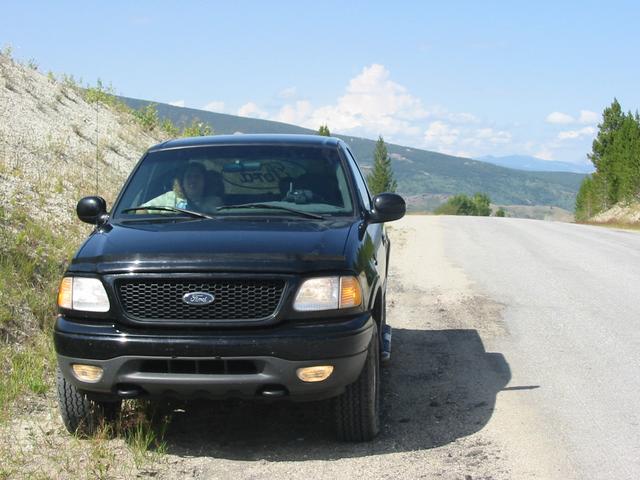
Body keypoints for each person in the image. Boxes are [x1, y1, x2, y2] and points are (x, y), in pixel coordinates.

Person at [143, 162, 222, 212]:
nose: (193, 180)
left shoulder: (214, 201)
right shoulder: (169, 197)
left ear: (204, 181)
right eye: (188, 176)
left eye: (197, 176)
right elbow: (141, 211)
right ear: (182, 182)